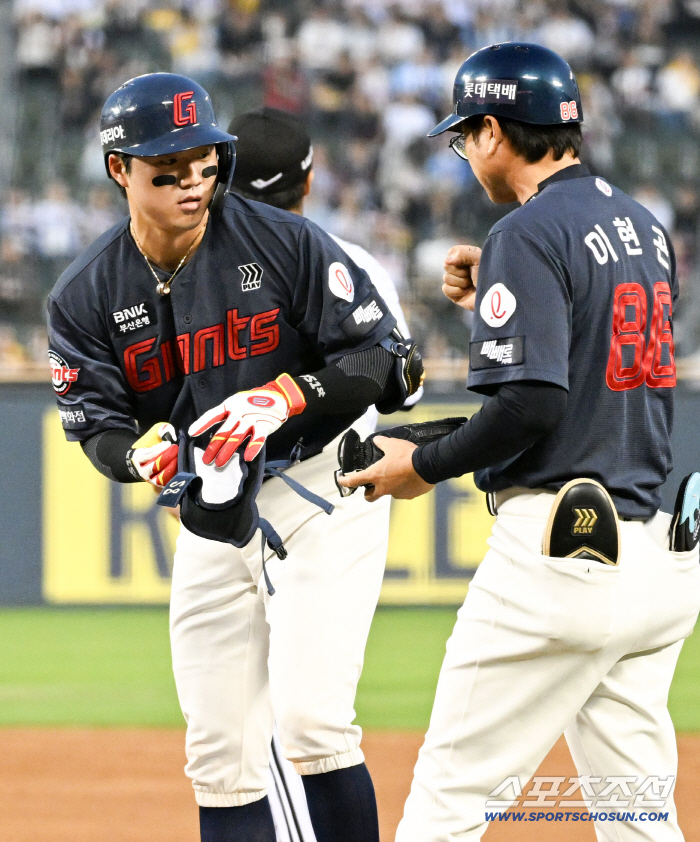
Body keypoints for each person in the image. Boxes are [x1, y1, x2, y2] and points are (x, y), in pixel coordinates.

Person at [47, 72, 421, 842]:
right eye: (168, 170)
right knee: (219, 751)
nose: (193, 183)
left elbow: (385, 358)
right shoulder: (85, 294)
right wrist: (133, 454)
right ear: (120, 170)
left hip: (322, 482)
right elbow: (97, 426)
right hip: (212, 505)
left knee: (313, 722)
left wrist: (288, 394)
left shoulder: (281, 240)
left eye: (206, 163)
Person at [340, 42, 700, 841]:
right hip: (660, 558)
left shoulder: (527, 233)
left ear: (496, 131)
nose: (466, 152)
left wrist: (422, 465)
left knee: (448, 800)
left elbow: (532, 405)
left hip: (562, 557)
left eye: (467, 135)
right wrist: (500, 303)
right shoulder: (640, 223)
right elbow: (587, 382)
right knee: (638, 816)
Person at [227, 106, 422, 841]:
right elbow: (403, 381)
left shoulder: (200, 270)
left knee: (265, 732)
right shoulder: (354, 262)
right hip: (338, 489)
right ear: (309, 180)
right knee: (298, 726)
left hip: (285, 493)